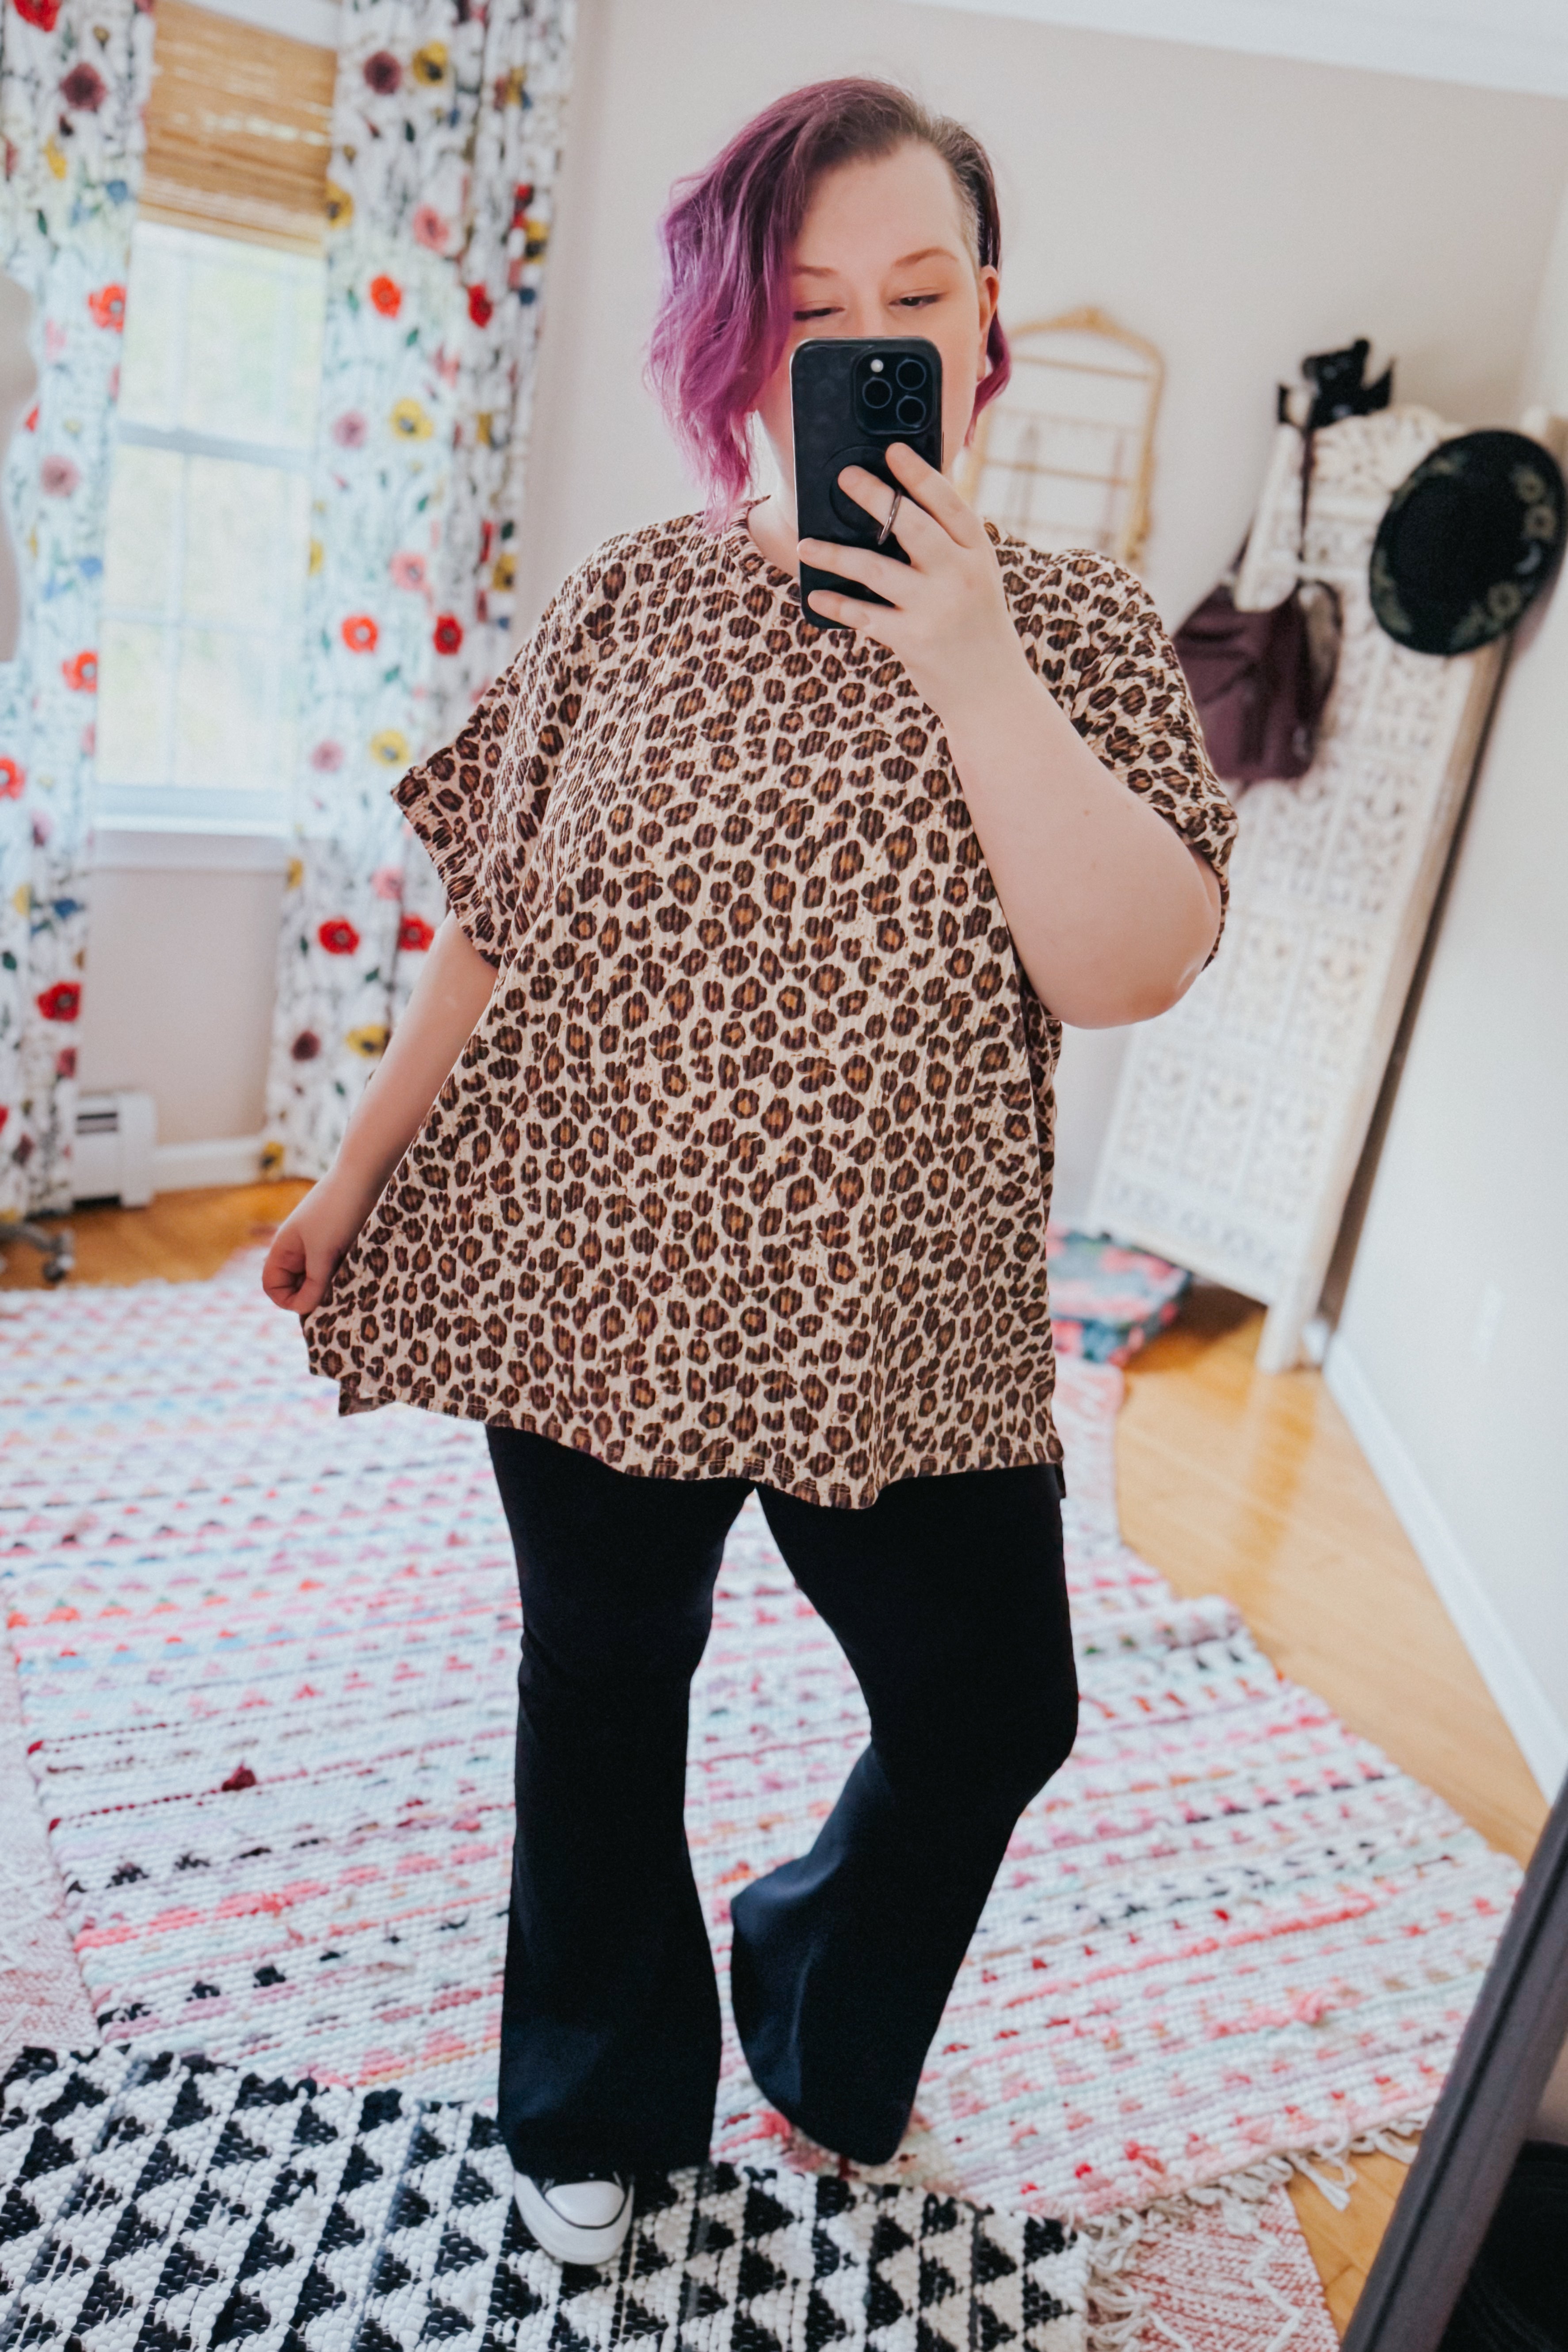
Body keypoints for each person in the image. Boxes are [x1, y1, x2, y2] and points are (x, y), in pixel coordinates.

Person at [262, 79, 1236, 2271]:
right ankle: (602, 2095)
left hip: (902, 1311)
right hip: (592, 1276)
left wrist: (970, 663)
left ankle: (807, 1974)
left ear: (981, 326)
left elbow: (1133, 962)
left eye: (911, 297)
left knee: (995, 1710)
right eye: (811, 310)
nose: (865, 342)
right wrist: (350, 1174)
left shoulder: (1072, 632)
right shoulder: (633, 600)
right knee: (603, 1684)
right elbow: (493, 917)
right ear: (740, 341)